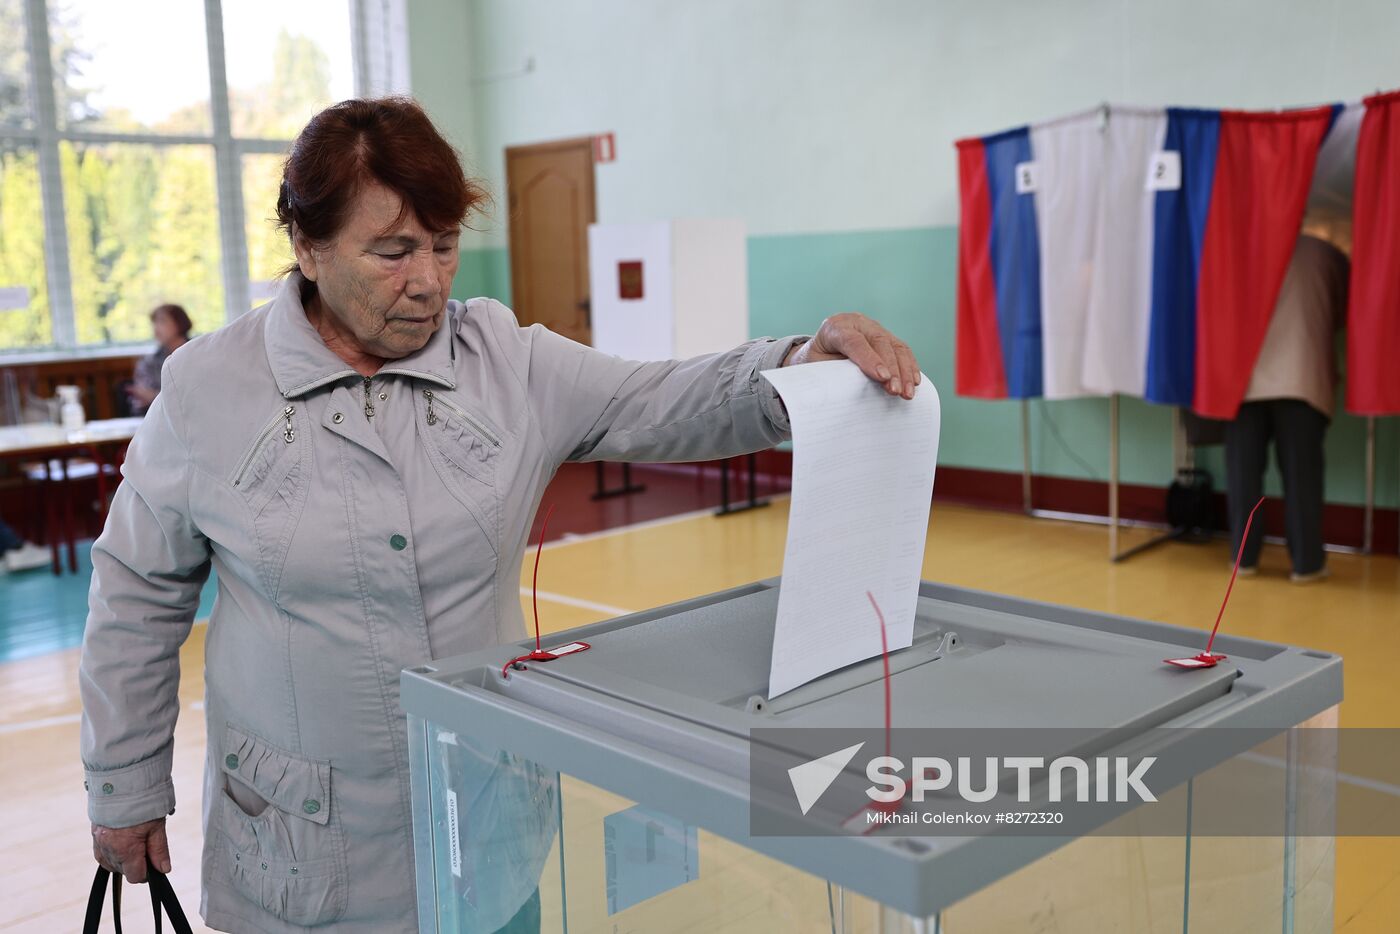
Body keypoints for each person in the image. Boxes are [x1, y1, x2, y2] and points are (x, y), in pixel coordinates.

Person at [78, 97, 924, 933]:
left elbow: (666, 396)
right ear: (306, 245)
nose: (430, 281)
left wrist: (803, 368)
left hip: (485, 821)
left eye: (444, 247)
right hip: (307, 845)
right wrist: (123, 787)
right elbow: (136, 599)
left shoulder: (506, 360)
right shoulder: (205, 392)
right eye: (392, 252)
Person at [1225, 233, 1348, 582]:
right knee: (1302, 477)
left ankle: (1243, 559)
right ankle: (1307, 564)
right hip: (1301, 376)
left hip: (1245, 381)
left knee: (1243, 474)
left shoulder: (1239, 250)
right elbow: (1343, 312)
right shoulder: (1326, 254)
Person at [127, 303, 193, 415]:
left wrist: (153, 396)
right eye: (154, 322)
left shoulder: (198, 354)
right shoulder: (148, 362)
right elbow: (140, 403)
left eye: (162, 321)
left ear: (180, 323)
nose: (156, 327)